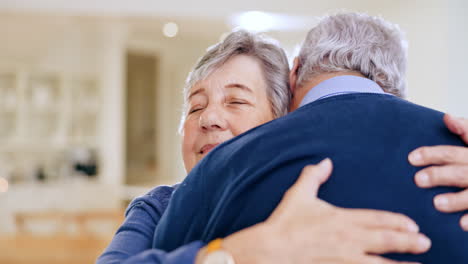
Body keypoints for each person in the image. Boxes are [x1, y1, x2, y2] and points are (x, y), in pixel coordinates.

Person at [98, 16, 468, 264]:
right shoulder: (161, 207)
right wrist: (240, 253)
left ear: (285, 115)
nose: (208, 118)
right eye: (194, 108)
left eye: (237, 101)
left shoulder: (316, 181)